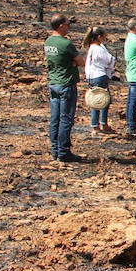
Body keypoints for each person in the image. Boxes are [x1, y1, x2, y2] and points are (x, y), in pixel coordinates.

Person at [44, 14, 85, 163]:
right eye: (68, 24)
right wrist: (73, 63)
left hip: (54, 83)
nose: (69, 27)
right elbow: (80, 61)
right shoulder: (65, 44)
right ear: (61, 25)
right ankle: (63, 152)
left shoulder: (48, 42)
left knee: (55, 118)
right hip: (66, 84)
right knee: (66, 119)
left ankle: (55, 150)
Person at [83, 26, 117, 136]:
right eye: (104, 36)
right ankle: (98, 126)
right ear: (99, 37)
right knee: (101, 100)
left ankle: (99, 124)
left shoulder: (93, 47)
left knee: (97, 99)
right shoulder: (98, 49)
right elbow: (109, 61)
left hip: (92, 76)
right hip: (100, 76)